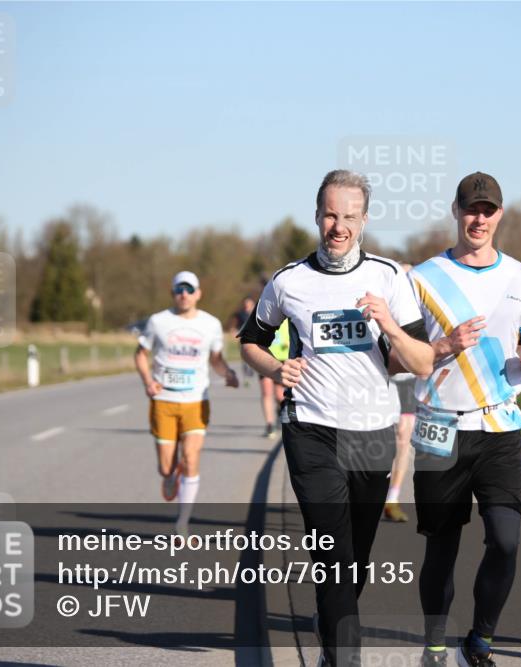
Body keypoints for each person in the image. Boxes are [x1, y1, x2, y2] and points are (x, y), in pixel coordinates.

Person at [239, 170, 433, 667]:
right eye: (330, 214)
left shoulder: (390, 278)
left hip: (371, 434)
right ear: (317, 216)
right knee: (332, 556)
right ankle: (343, 658)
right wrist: (277, 367)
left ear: (364, 220)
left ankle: (332, 636)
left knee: (354, 561)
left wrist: (387, 322)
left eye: (349, 216)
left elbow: (422, 361)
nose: (338, 225)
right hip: (312, 429)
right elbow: (250, 343)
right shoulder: (288, 282)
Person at [407, 171, 521, 667]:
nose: (479, 219)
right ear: (456, 211)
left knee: (506, 541)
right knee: (441, 547)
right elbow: (403, 355)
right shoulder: (422, 278)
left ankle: (480, 642)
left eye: (488, 210)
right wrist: (445, 344)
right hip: (439, 425)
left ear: (500, 215)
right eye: (471, 209)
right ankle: (436, 645)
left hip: (499, 425)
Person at [134, 270, 239, 536]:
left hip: (196, 401)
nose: (184, 294)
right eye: (179, 289)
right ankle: (171, 476)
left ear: (198, 294)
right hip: (164, 401)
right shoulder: (158, 321)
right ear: (173, 293)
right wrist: (148, 381)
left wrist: (227, 373)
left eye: (189, 289)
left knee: (191, 458)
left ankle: (182, 522)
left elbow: (215, 359)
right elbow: (140, 355)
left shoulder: (211, 324)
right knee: (166, 467)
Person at [385, 261, 418, 523]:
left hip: (409, 380)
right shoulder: (384, 298)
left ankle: (393, 498)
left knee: (404, 437)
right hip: (382, 377)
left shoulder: (421, 304)